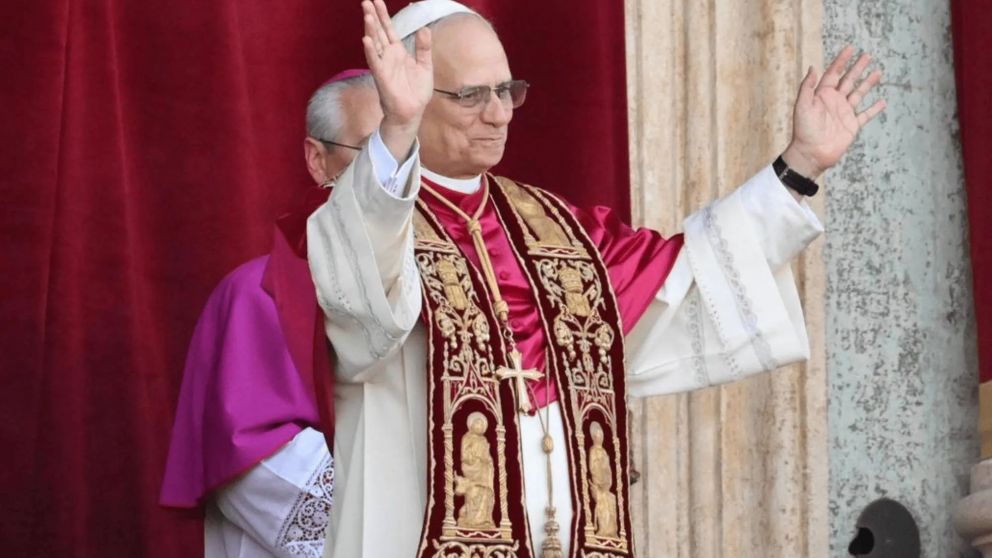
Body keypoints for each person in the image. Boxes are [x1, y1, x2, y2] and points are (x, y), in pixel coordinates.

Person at [306, 1, 887, 556]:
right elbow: (360, 300)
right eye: (471, 96)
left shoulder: (560, 231)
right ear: (409, 95)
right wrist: (397, 131)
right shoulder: (374, 214)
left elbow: (691, 275)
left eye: (507, 91)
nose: (500, 113)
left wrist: (801, 165)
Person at [160, 70, 381, 558]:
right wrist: (405, 518)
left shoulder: (461, 288)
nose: (395, 174)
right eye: (373, 150)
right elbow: (255, 460)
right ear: (318, 160)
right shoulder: (259, 294)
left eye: (410, 153)